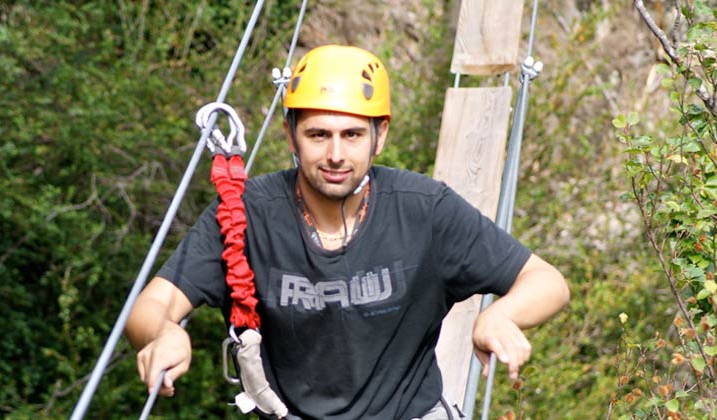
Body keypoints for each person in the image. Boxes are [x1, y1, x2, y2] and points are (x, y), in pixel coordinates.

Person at [125, 44, 569, 420]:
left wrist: (498, 315)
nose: (336, 154)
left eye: (353, 135)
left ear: (381, 136)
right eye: (318, 134)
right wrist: (163, 332)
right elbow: (153, 304)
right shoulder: (246, 213)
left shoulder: (424, 210)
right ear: (290, 135)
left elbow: (547, 282)